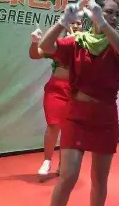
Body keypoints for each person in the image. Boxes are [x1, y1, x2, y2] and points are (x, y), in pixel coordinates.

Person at [38, 0, 119, 206]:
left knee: (100, 178)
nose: (112, 16)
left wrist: (103, 23)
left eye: (115, 14)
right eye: (106, 11)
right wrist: (62, 22)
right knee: (68, 176)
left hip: (105, 117)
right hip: (77, 115)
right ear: (91, 14)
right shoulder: (77, 43)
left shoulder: (117, 45)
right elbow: (45, 46)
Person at [29, 19, 83, 177]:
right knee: (53, 125)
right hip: (56, 89)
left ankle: (62, 163)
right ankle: (47, 160)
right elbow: (35, 55)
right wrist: (35, 42)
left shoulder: (86, 44)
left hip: (75, 92)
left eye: (79, 23)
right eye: (73, 22)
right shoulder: (58, 44)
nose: (76, 25)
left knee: (69, 129)